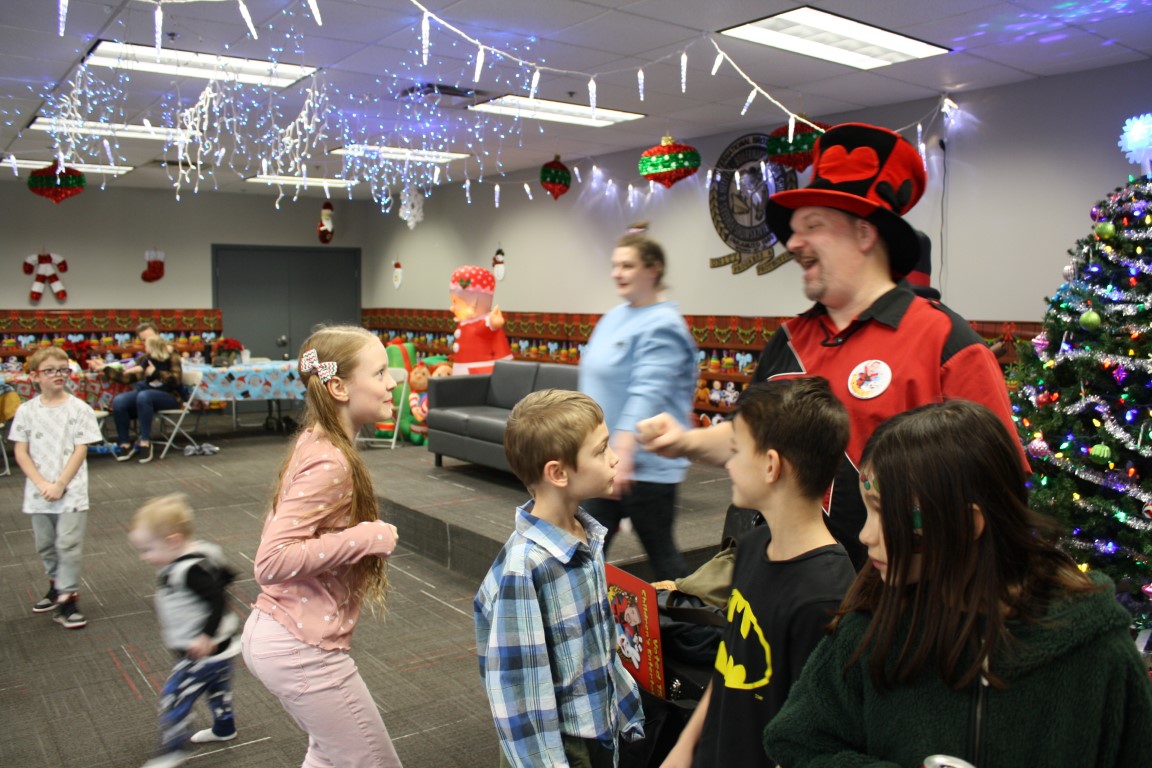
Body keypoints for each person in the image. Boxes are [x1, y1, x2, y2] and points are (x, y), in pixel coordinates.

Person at [637, 123, 1019, 569]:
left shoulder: (946, 344)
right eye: (794, 229)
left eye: (813, 226)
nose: (793, 243)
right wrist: (684, 441)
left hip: (888, 593)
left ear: (864, 234)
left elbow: (996, 490)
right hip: (780, 584)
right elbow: (747, 438)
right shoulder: (790, 340)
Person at [764, 399, 1152, 766]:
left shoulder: (1094, 651)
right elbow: (798, 740)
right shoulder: (873, 623)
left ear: (967, 524)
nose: (865, 535)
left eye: (886, 515)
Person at [661, 378, 857, 768]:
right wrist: (685, 747)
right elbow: (729, 663)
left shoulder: (826, 597)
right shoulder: (752, 546)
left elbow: (810, 735)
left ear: (771, 466)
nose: (728, 463)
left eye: (736, 450)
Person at [241, 325, 403, 768]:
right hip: (299, 647)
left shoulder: (319, 440)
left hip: (282, 635)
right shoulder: (330, 460)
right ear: (339, 388)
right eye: (380, 373)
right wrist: (366, 536)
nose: (392, 382)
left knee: (330, 756)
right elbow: (271, 561)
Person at [474, 389, 644, 768]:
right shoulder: (525, 567)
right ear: (558, 473)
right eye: (601, 450)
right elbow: (520, 689)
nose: (615, 458)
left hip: (598, 726)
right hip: (566, 746)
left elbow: (596, 643)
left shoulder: (585, 534)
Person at [579, 221, 698, 578]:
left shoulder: (664, 324)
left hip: (642, 466)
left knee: (662, 559)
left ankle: (691, 613)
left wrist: (624, 454)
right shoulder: (614, 317)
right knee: (586, 554)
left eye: (627, 265)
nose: (617, 273)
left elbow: (647, 393)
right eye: (615, 265)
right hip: (606, 461)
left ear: (653, 269)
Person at [128, 493, 240, 768]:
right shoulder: (203, 552)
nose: (144, 557)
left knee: (175, 696)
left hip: (202, 651)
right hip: (224, 647)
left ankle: (174, 747)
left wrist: (205, 635)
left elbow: (216, 600)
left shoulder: (188, 570)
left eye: (148, 549)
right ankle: (224, 728)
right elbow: (227, 575)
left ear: (174, 541)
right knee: (217, 690)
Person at [9, 346, 103, 629]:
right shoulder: (26, 411)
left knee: (68, 544)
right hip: (39, 491)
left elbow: (80, 450)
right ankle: (55, 585)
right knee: (46, 545)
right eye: (49, 370)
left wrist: (60, 484)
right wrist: (42, 484)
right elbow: (21, 452)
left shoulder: (80, 409)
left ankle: (68, 598)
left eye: (63, 370)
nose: (58, 375)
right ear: (35, 376)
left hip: (71, 490)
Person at [97, 321, 187, 464]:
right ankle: (124, 444)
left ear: (158, 336)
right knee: (120, 401)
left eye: (149, 338)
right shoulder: (145, 358)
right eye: (144, 340)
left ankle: (145, 441)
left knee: (144, 395)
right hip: (145, 395)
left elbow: (176, 380)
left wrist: (156, 373)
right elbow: (128, 378)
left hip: (169, 396)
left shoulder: (171, 354)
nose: (147, 343)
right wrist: (105, 368)